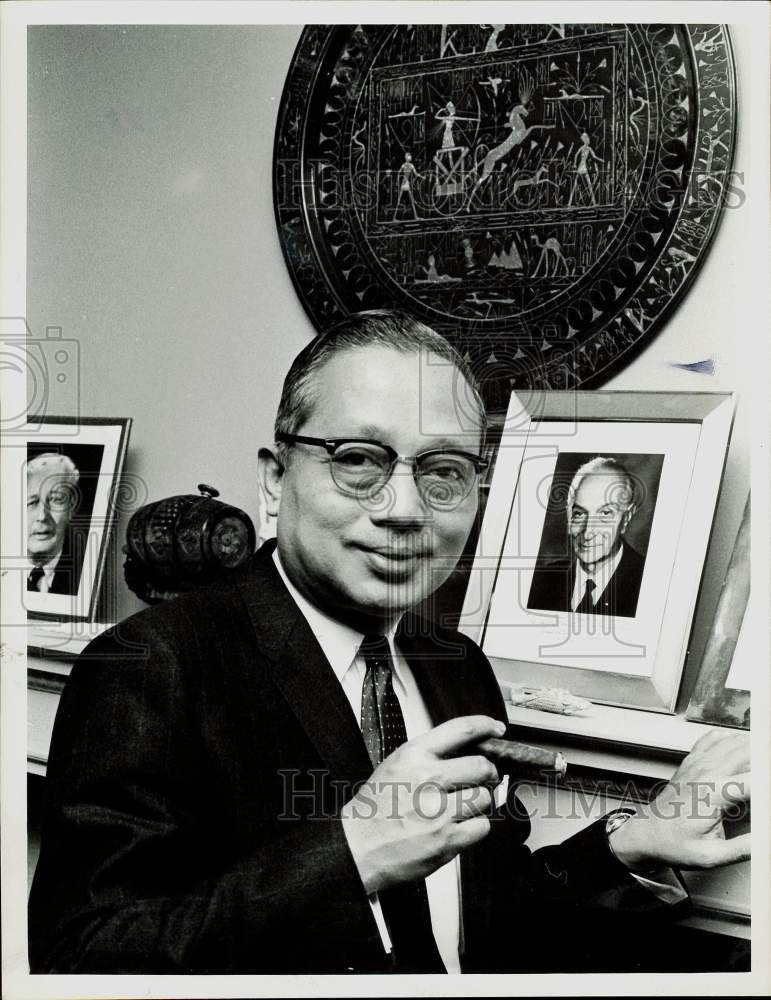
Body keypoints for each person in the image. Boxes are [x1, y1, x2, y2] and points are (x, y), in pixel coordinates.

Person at [29, 312, 750, 974]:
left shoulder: (456, 667)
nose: (403, 509)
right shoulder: (152, 667)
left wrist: (634, 840)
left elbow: (485, 914)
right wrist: (349, 858)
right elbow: (80, 960)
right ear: (274, 480)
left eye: (442, 472)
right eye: (358, 459)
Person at [528, 456, 646, 618]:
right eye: (579, 514)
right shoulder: (538, 582)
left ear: (626, 518)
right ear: (569, 517)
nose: (588, 532)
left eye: (605, 513)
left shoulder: (649, 583)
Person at [26, 452, 82, 596]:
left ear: (72, 507)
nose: (42, 516)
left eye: (56, 500)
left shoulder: (84, 571)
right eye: (31, 503)